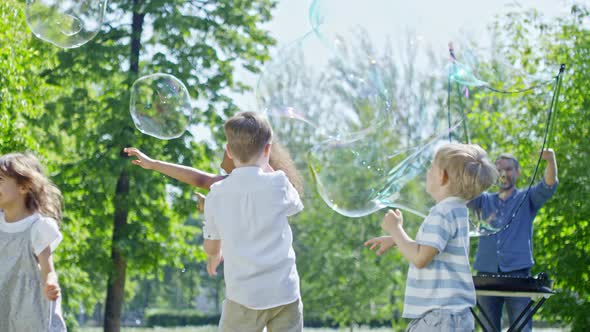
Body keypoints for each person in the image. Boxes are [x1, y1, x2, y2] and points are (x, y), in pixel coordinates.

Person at [365, 143, 498, 331]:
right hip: (455, 315)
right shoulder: (457, 209)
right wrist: (397, 240)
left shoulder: (442, 212)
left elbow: (421, 258)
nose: (427, 172)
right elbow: (431, 250)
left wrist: (395, 230)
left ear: (442, 176)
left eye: (431, 167)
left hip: (438, 316)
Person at [203, 111, 304, 332]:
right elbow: (296, 205)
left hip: (243, 296)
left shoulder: (216, 194)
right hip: (284, 293)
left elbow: (211, 245)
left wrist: (214, 257)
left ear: (228, 152)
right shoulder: (278, 183)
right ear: (268, 150)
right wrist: (266, 164)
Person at [469, 149, 558, 332]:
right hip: (485, 275)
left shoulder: (526, 198)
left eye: (509, 169)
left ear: (517, 172)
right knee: (487, 328)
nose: (503, 173)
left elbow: (548, 185)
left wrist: (550, 160)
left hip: (518, 274)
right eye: (499, 169)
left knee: (522, 328)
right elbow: (462, 191)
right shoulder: (483, 200)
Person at [124, 140, 303, 211]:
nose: (224, 148)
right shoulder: (235, 184)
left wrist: (210, 206)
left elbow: (201, 180)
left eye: (229, 146)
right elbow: (200, 179)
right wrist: (153, 163)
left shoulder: (263, 187)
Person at [0, 152, 67, 332]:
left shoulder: (37, 227)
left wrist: (50, 284)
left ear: (23, 187)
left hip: (33, 316)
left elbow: (48, 269)